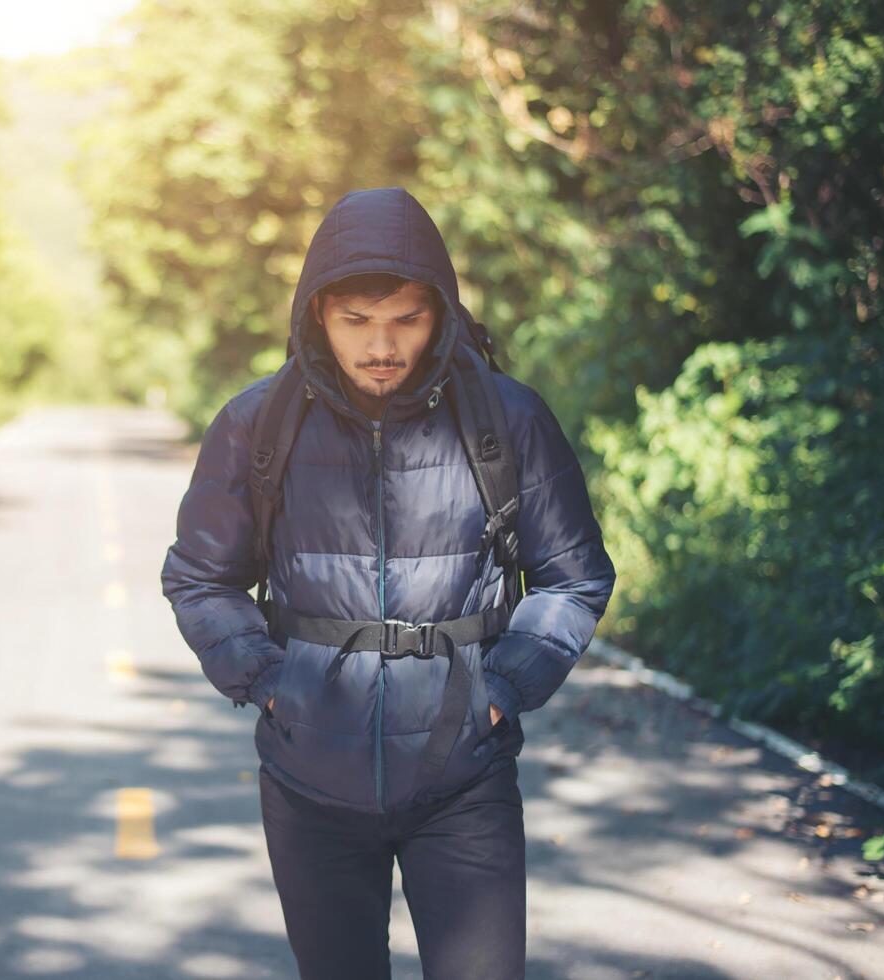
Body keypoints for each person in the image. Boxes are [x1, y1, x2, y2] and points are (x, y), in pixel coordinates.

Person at [160, 186, 616, 979]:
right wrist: (271, 681)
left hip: (464, 779)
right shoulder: (253, 424)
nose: (382, 346)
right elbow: (200, 576)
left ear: (439, 312)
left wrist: (503, 684)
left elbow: (572, 576)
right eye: (356, 322)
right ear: (316, 318)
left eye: (405, 318)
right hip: (308, 783)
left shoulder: (507, 418)